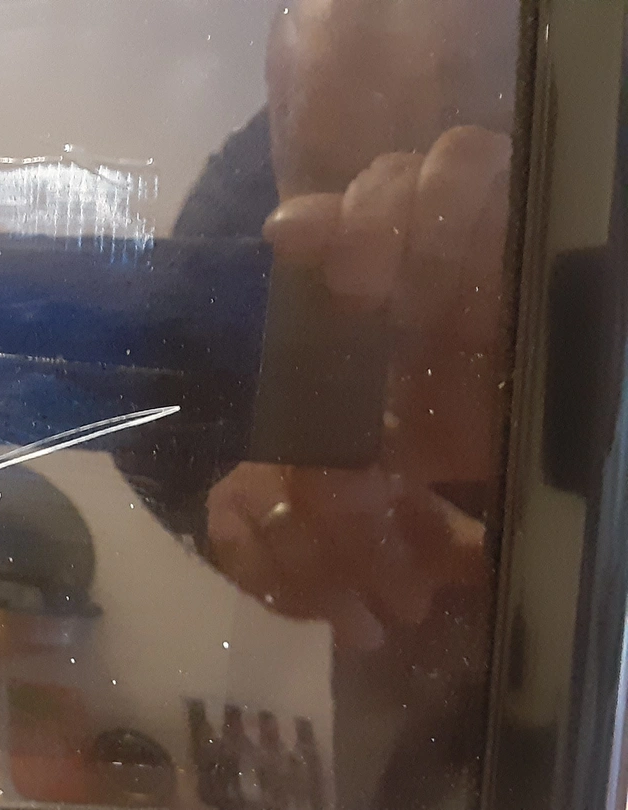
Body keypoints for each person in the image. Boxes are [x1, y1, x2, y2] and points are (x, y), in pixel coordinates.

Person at [118, 0, 520, 806]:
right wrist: (252, 512)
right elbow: (152, 402)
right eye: (324, 172)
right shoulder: (250, 193)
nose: (379, 213)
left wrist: (550, 397)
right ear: (278, 108)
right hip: (397, 638)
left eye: (451, 136)